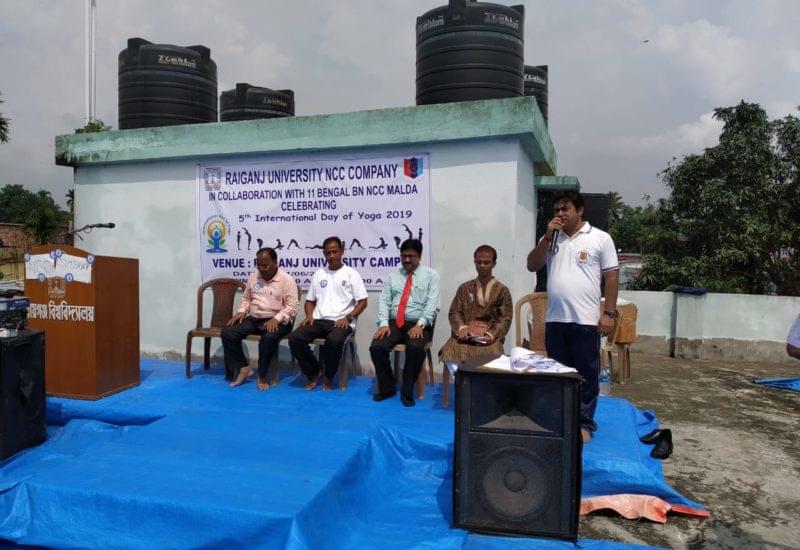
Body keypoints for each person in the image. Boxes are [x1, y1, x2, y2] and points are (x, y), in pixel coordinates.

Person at [526, 190, 619, 443]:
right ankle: (561, 419)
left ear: (579, 211)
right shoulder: (551, 239)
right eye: (556, 210)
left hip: (586, 320)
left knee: (586, 376)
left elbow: (611, 277)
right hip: (556, 320)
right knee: (558, 374)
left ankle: (584, 423)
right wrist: (546, 237)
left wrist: (608, 314)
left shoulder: (600, 238)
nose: (559, 214)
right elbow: (532, 265)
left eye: (565, 209)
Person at [289, 237, 368, 390]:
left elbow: (363, 302)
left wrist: (349, 317)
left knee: (334, 340)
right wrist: (309, 316)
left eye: (335, 252)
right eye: (328, 253)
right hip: (319, 320)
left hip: (342, 321)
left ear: (342, 251)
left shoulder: (351, 274)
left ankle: (329, 376)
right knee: (295, 338)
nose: (331, 256)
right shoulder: (319, 274)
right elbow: (309, 301)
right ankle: (314, 372)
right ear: (324, 254)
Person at [370, 239, 439, 407]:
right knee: (377, 347)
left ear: (420, 256)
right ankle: (388, 388)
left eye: (411, 256)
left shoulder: (431, 275)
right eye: (404, 256)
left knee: (415, 348)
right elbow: (384, 300)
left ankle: (407, 391)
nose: (407, 260)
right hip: (395, 323)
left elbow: (432, 305)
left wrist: (420, 324)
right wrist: (384, 323)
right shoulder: (394, 275)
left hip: (419, 324)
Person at [222, 247, 299, 389]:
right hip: (255, 319)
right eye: (259, 264)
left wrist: (276, 319)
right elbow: (246, 298)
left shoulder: (287, 280)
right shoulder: (254, 276)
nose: (261, 268)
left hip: (279, 320)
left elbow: (293, 307)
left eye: (265, 265)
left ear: (275, 262)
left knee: (268, 338)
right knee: (228, 332)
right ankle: (244, 368)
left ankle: (262, 375)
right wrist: (241, 311)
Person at [439, 245, 513, 369]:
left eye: (486, 262)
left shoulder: (502, 290)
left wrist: (491, 334)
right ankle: (461, 386)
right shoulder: (464, 288)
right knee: (449, 352)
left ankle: (486, 388)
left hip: (489, 339)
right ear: (474, 262)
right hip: (464, 338)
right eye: (479, 262)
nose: (482, 265)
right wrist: (461, 328)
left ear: (494, 264)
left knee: (495, 354)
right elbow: (454, 312)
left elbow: (505, 318)